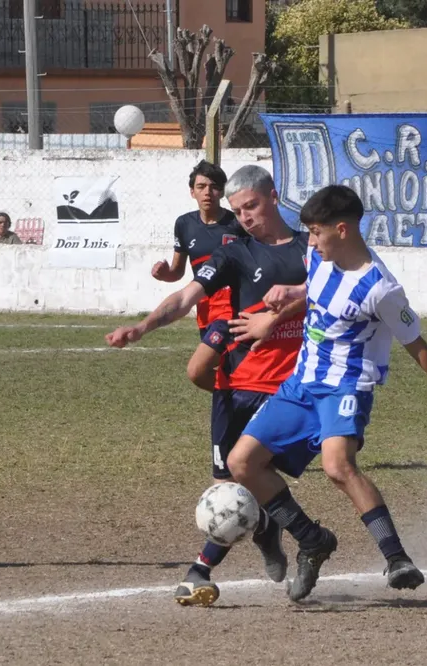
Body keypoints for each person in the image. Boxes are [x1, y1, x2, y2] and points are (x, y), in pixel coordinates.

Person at [225, 184, 427, 602]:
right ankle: (311, 540)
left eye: (316, 232)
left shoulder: (381, 288)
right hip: (301, 383)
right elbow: (317, 293)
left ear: (342, 230)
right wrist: (286, 303)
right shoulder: (318, 258)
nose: (310, 242)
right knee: (241, 463)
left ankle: (396, 558)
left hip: (347, 385)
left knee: (337, 465)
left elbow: (417, 345)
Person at [107, 165, 309, 607]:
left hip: (289, 390)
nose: (245, 217)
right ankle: (267, 530)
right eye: (239, 209)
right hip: (235, 386)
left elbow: (338, 291)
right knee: (226, 487)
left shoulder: (308, 249)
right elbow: (186, 296)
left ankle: (202, 568)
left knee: (245, 476)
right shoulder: (234, 253)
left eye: (251, 206)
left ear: (273, 197)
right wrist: (142, 327)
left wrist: (281, 312)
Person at [150, 160, 247, 338]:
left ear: (222, 192)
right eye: (201, 187)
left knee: (212, 354)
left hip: (235, 306)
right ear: (192, 192)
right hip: (204, 307)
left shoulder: (238, 224)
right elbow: (177, 272)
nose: (207, 193)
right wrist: (164, 274)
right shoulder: (184, 224)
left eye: (214, 187)